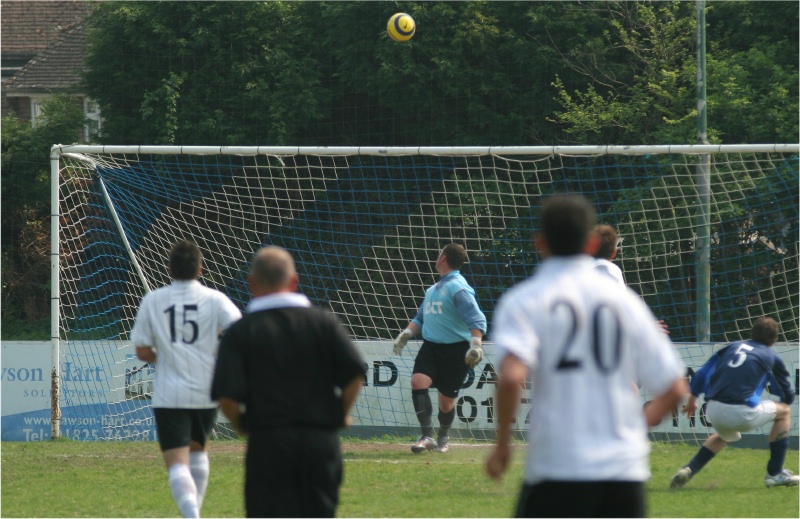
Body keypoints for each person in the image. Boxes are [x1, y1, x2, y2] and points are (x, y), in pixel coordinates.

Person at [485, 193, 686, 518]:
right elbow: (675, 389)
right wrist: (635, 430)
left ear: (540, 243)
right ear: (592, 243)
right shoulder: (626, 303)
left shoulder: (523, 300)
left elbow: (510, 378)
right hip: (622, 473)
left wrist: (503, 443)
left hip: (556, 467)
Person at [211, 246, 365, 518]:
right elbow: (354, 374)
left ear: (251, 283)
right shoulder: (324, 323)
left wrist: (242, 425)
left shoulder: (239, 333)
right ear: (294, 281)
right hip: (320, 442)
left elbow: (227, 398)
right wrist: (339, 414)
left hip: (268, 444)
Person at [131, 239, 242, 518]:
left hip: (170, 394)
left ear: (169, 268)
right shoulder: (215, 299)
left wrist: (167, 354)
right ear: (200, 269)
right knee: (198, 452)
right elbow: (240, 333)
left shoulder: (153, 300)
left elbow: (142, 350)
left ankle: (191, 514)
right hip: (206, 390)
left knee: (177, 462)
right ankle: (194, 513)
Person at [670, 317, 798, 489]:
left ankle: (689, 469)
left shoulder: (732, 347)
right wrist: (782, 397)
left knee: (724, 435)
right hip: (740, 412)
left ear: (751, 333)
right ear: (774, 340)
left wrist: (692, 400)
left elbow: (703, 373)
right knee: (784, 412)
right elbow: (786, 394)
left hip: (713, 409)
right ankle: (775, 474)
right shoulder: (771, 356)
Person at [392, 243, 487, 454]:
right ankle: (427, 436)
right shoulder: (432, 290)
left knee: (446, 403)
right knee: (418, 381)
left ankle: (443, 435)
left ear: (443, 258)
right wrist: (406, 334)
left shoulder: (458, 287)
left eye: (438, 254)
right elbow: (420, 318)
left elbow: (476, 318)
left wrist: (476, 345)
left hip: (456, 351)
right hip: (431, 348)